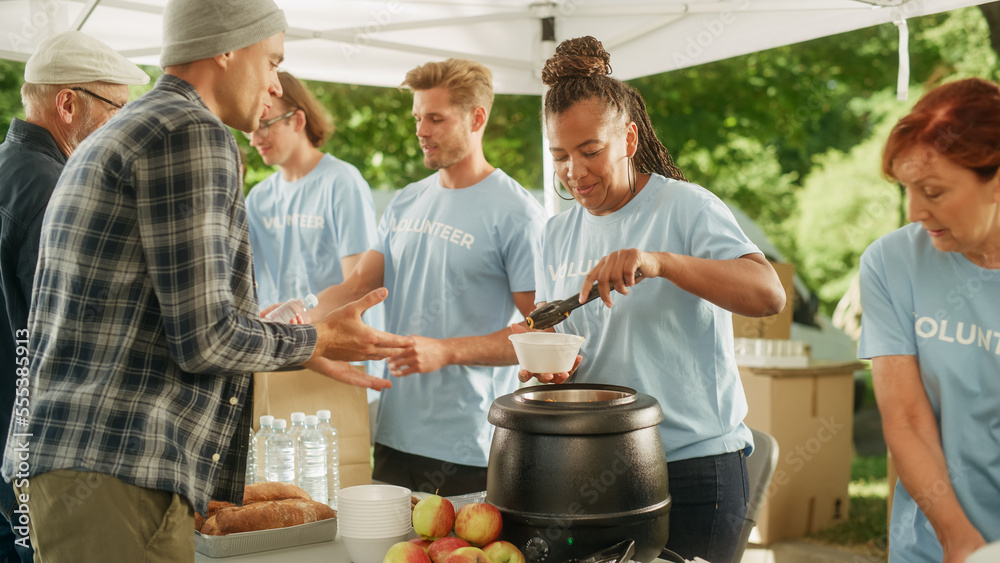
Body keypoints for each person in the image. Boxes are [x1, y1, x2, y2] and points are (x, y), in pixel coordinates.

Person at [0, 1, 410, 561]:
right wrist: (318, 339)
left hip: (77, 466)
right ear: (226, 48)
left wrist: (275, 337)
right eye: (271, 62)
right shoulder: (190, 131)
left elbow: (156, 319)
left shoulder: (131, 127)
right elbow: (206, 341)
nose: (274, 86)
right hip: (117, 469)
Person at [521, 36, 786, 563]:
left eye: (590, 151)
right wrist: (549, 366)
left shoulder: (686, 207)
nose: (574, 171)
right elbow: (574, 343)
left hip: (692, 468)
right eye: (560, 156)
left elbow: (768, 294)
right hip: (596, 464)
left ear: (628, 137)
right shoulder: (555, 233)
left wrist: (660, 263)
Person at [312, 58, 547, 495]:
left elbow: (542, 333)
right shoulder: (405, 201)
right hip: (392, 434)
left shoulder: (517, 214)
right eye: (419, 117)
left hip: (471, 446)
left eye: (436, 118)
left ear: (478, 117)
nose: (421, 130)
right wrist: (297, 320)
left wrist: (446, 351)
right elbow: (356, 286)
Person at [0, 30, 149, 563]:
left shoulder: (9, 168)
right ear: (67, 104)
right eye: (118, 110)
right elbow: (80, 331)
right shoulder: (53, 190)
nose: (125, 129)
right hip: (32, 450)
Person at [859, 77, 1000, 563]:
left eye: (934, 191)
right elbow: (907, 420)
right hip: (934, 544)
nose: (916, 211)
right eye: (908, 190)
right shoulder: (890, 262)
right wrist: (958, 540)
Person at [246, 71, 385, 387]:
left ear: (297, 121)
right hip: (283, 354)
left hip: (337, 353)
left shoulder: (341, 182)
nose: (255, 139)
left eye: (264, 125)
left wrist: (299, 321)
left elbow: (358, 283)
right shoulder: (259, 197)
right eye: (252, 128)